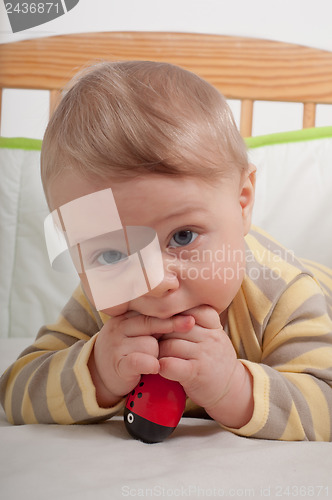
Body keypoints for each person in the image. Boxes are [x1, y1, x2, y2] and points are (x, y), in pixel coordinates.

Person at [1, 61, 332, 441]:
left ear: (242, 203)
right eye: (111, 255)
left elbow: (325, 403)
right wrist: (96, 370)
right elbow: (15, 390)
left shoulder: (285, 296)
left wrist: (233, 387)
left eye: (184, 236)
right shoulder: (109, 299)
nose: (154, 282)